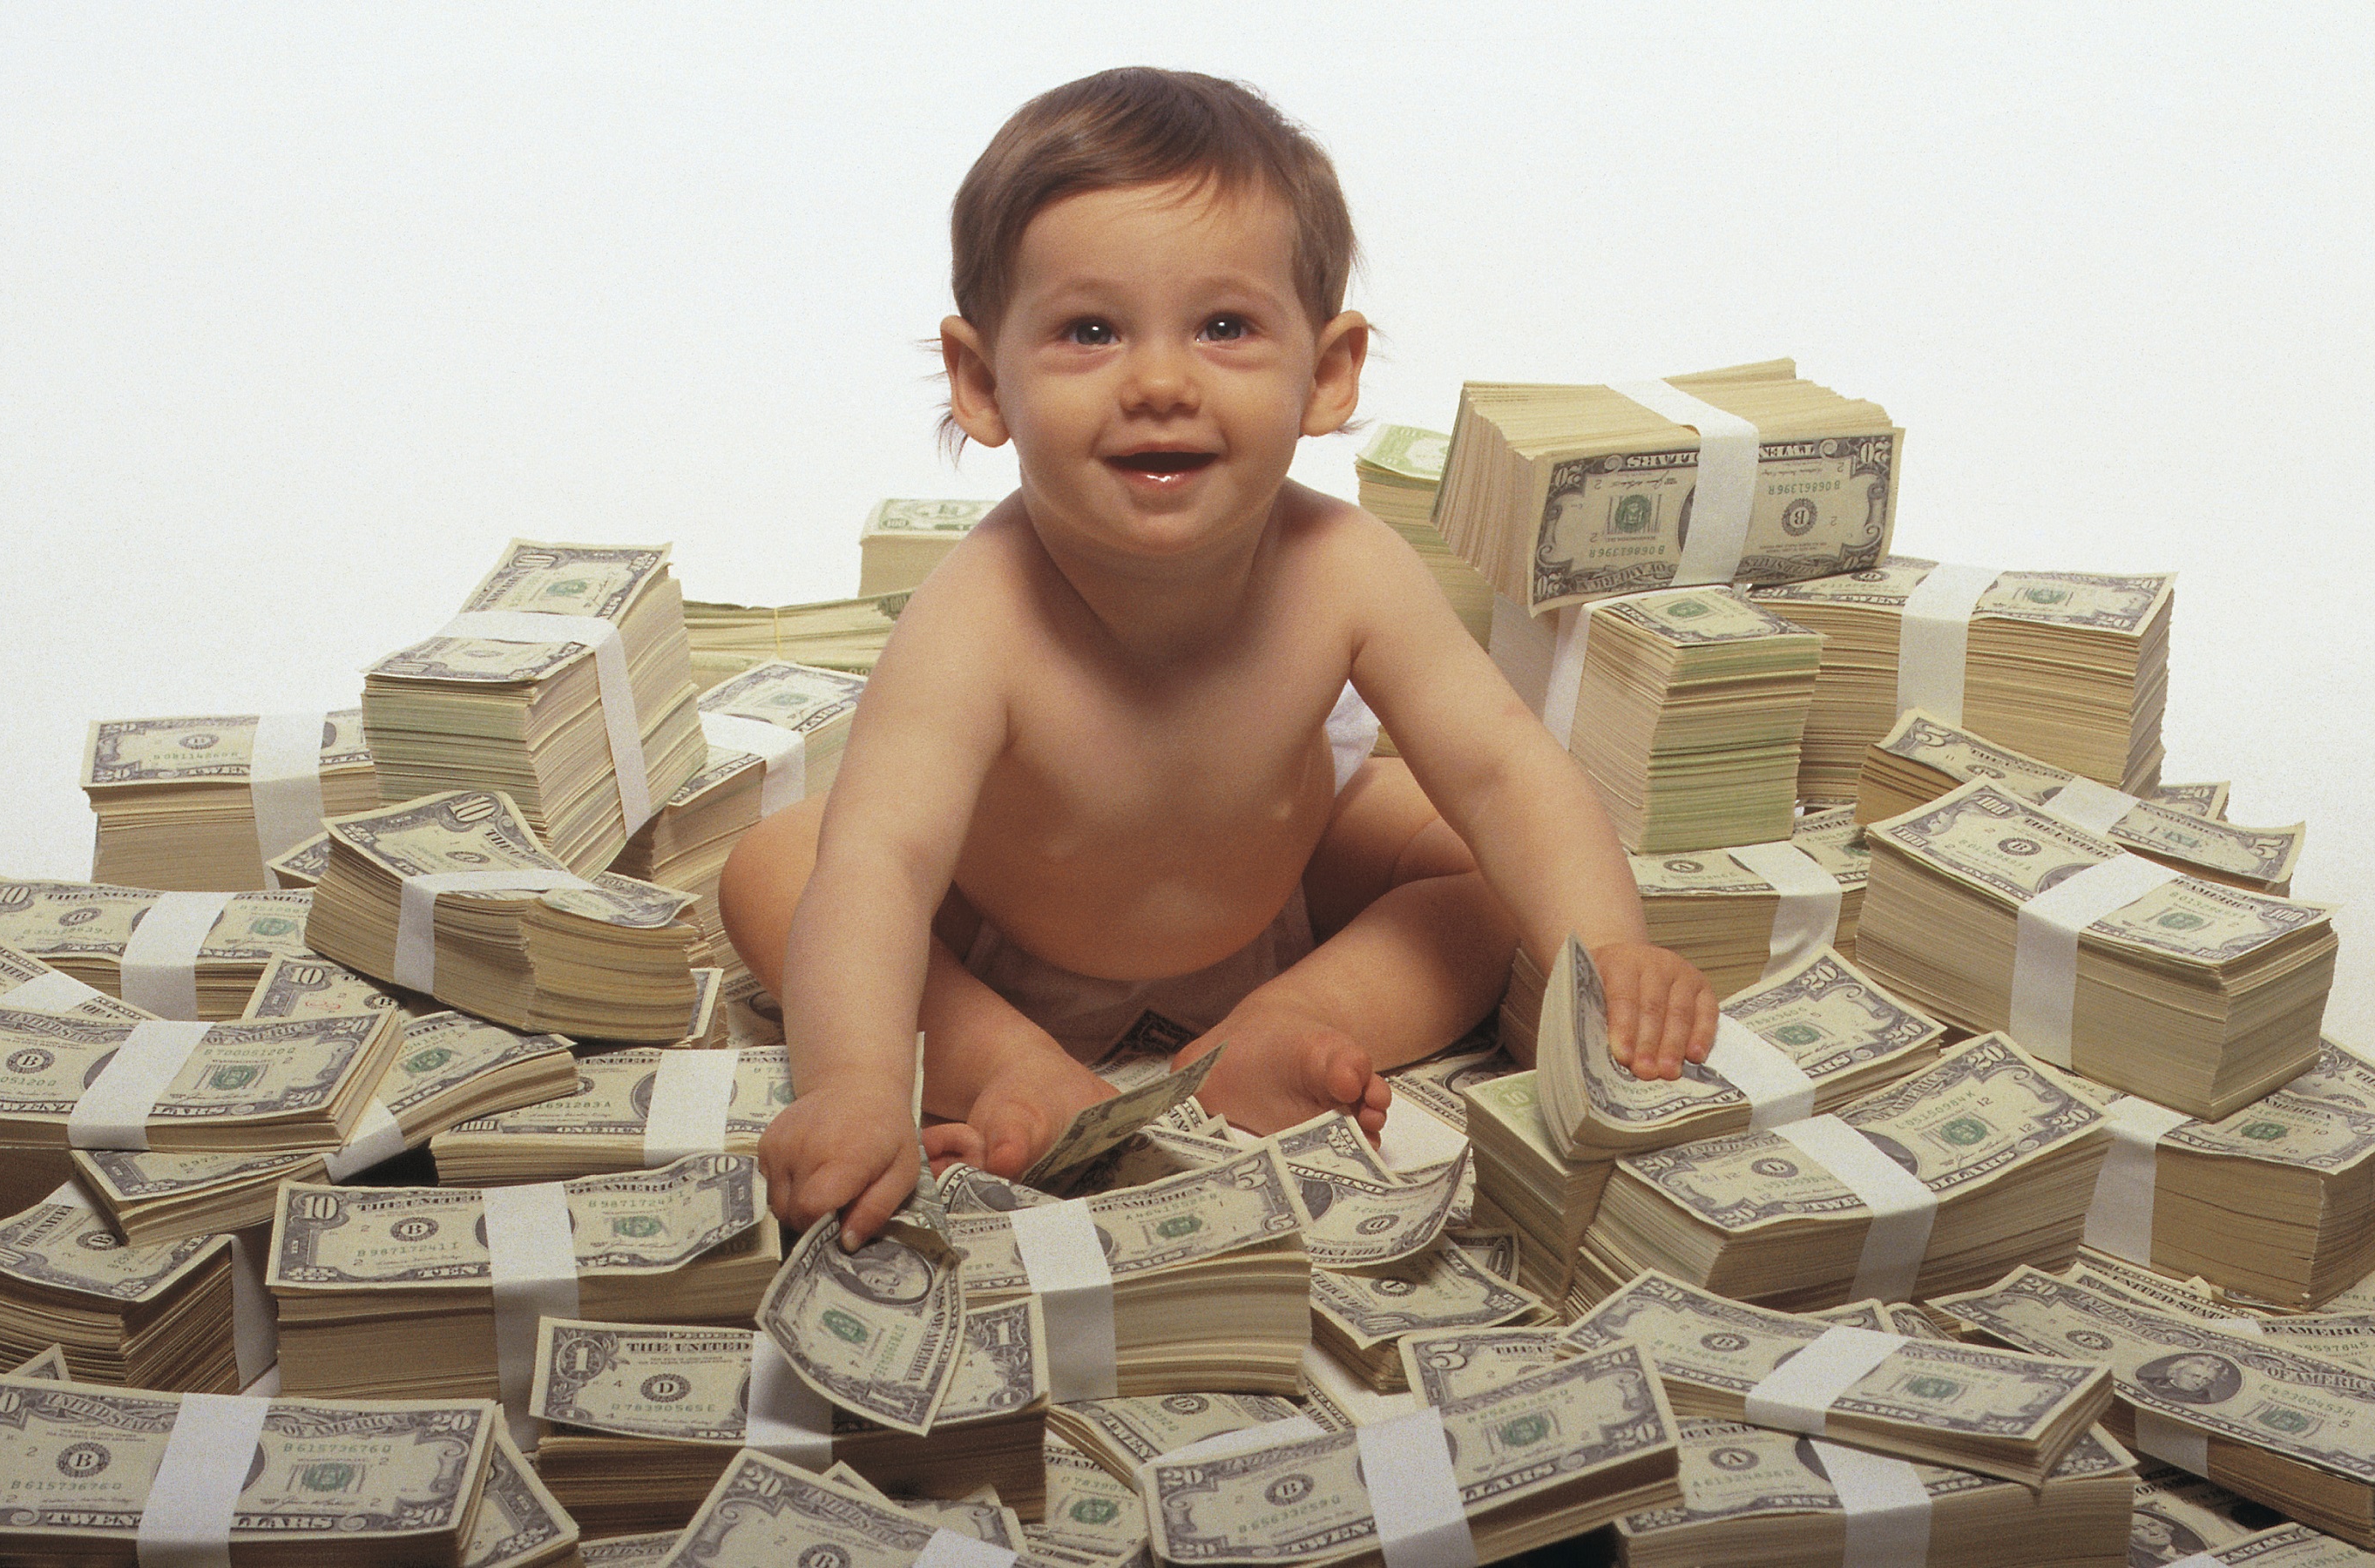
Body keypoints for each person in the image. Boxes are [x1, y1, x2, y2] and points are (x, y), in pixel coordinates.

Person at [721, 66, 1717, 1246]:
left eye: (1226, 327)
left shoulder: (1343, 566)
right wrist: (856, 1085)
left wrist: (1610, 946)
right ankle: (1012, 1063)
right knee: (789, 868)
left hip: (1269, 903)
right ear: (985, 382)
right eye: (1090, 332)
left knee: (1488, 862)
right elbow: (886, 866)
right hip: (1003, 939)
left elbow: (1501, 765)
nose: (1159, 382)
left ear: (1328, 373)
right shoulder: (975, 615)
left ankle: (1285, 1024)